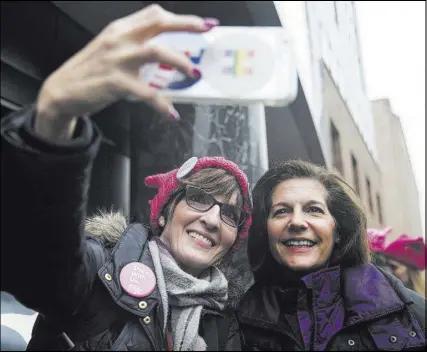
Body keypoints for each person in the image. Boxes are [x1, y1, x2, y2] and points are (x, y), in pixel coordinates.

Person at [1, 5, 254, 351]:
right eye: (198, 197)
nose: (212, 219)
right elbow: (35, 267)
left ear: (230, 240)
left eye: (229, 214)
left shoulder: (232, 321)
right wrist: (55, 119)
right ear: (164, 213)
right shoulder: (98, 269)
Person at [236, 160, 426, 351]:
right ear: (265, 232)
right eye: (282, 211)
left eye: (313, 210)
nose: (296, 222)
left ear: (338, 231)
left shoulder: (410, 313)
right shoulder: (236, 322)